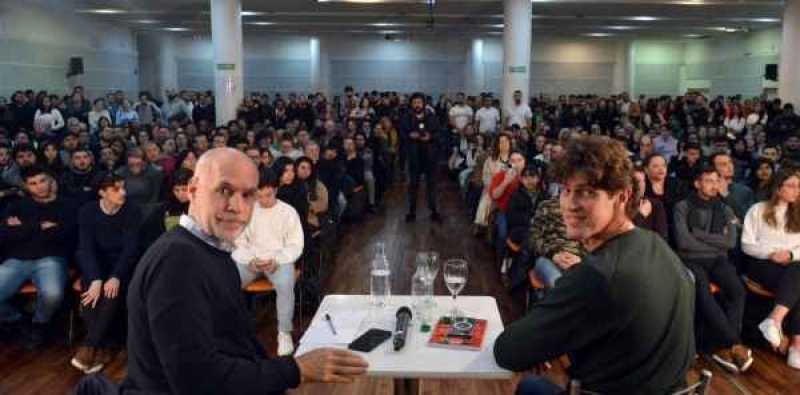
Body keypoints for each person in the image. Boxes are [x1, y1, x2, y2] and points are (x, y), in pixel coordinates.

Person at [114, 148, 368, 394]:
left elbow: (231, 346)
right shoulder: (177, 261)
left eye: (248, 195)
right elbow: (197, 380)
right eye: (224, 190)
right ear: (193, 190)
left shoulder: (212, 251)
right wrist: (297, 369)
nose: (237, 206)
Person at [494, 136, 694, 394]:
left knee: (530, 385)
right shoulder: (657, 245)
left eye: (588, 192)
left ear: (623, 196)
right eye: (567, 190)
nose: (570, 204)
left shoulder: (599, 275)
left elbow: (508, 352)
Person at [673, 166, 751, 373]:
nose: (714, 185)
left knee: (738, 290)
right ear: (697, 183)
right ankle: (734, 344)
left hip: (718, 259)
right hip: (691, 260)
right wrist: (715, 242)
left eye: (716, 181)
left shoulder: (725, 209)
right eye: (708, 181)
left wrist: (699, 234)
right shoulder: (683, 207)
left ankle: (726, 346)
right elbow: (684, 242)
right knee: (704, 293)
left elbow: (730, 242)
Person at [0, 165, 77, 349]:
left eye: (42, 181)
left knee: (52, 294)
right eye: (33, 183)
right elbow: (5, 235)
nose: (39, 186)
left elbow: (65, 234)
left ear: (50, 180)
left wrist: (22, 228)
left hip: (52, 259)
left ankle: (39, 324)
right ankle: (18, 319)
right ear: (26, 186)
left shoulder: (68, 205)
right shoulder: (17, 206)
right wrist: (39, 227)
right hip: (16, 259)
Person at [72, 172, 141, 374]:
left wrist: (115, 276)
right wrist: (95, 278)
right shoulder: (87, 211)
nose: (123, 192)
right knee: (91, 292)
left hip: (123, 265)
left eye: (123, 187)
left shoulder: (132, 209)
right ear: (102, 193)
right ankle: (100, 348)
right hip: (96, 264)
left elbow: (131, 248)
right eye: (116, 189)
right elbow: (85, 247)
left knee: (111, 293)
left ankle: (90, 345)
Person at [232, 169, 304, 357]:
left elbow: (296, 244)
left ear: (276, 191)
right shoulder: (247, 210)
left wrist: (277, 260)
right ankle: (232, 330)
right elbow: (238, 241)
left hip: (278, 260)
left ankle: (284, 332)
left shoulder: (288, 212)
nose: (263, 200)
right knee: (228, 281)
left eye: (268, 195)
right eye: (259, 195)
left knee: (286, 284)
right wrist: (250, 260)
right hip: (252, 260)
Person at [741, 167, 800, 369]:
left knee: (797, 271)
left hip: (792, 266)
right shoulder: (758, 209)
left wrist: (790, 255)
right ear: (777, 188)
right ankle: (797, 347)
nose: (797, 190)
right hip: (761, 264)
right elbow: (746, 244)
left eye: (799, 186)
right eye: (792, 186)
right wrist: (772, 254)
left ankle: (775, 320)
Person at [401, 92, 442, 223]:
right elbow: (402, 133)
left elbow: (439, 134)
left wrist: (430, 137)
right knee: (413, 186)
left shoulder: (432, 116)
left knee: (432, 186)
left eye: (419, 102)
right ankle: (411, 212)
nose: (417, 105)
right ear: (411, 104)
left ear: (423, 103)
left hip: (430, 157)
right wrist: (409, 136)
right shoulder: (406, 117)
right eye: (414, 103)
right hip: (414, 157)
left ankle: (434, 211)